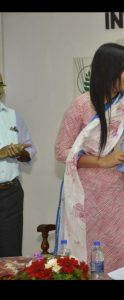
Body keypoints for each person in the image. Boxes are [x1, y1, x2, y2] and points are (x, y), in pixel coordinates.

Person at [55, 43, 124, 278]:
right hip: (88, 198)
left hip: (120, 194)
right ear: (109, 68)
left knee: (122, 252)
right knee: (91, 255)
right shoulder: (82, 105)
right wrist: (101, 161)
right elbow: (62, 151)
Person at [0, 73, 36, 257]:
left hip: (11, 194)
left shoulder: (13, 116)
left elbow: (30, 150)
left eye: (0, 84)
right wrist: (2, 153)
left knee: (10, 254)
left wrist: (20, 153)